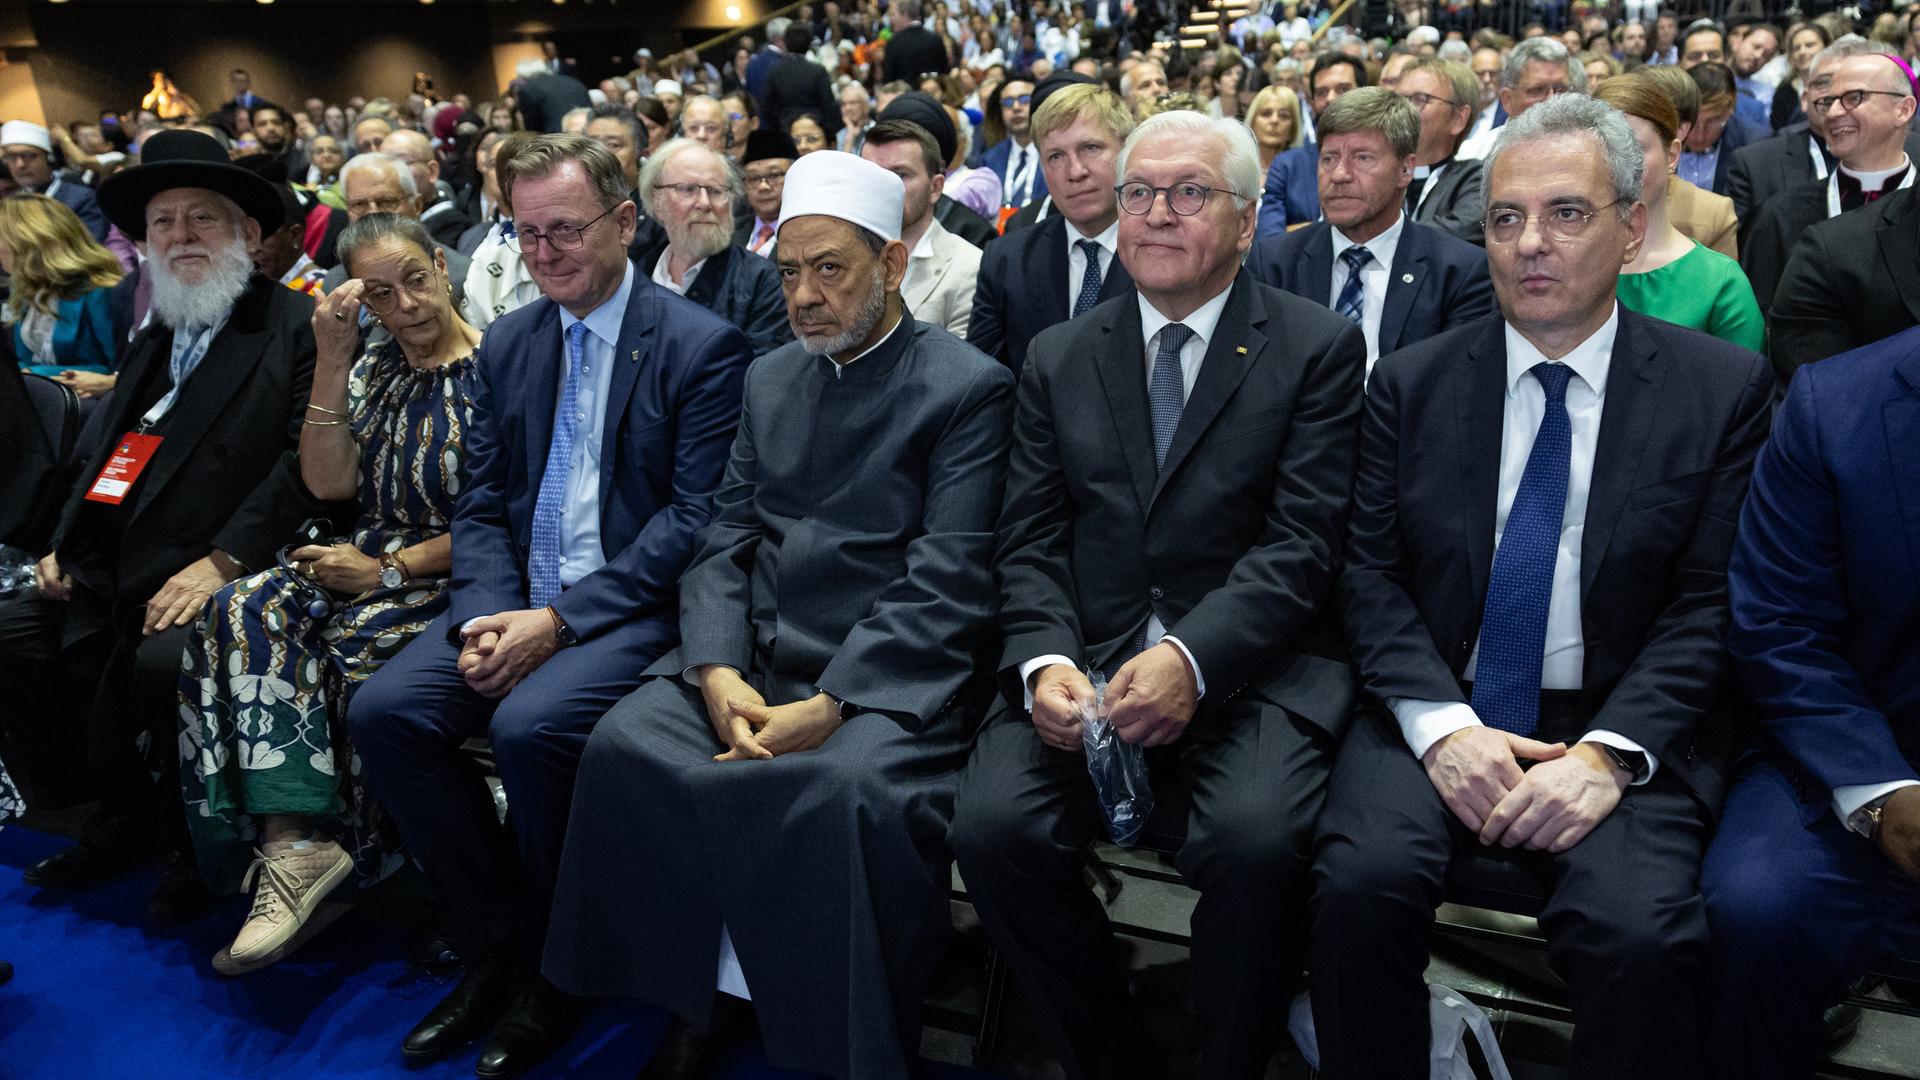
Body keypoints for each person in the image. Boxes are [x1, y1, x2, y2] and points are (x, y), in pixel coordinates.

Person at [1307, 93, 1774, 1080]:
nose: (1530, 244)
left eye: (1566, 213)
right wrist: (1441, 728)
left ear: (1632, 224)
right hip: (1441, 702)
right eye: (1506, 218)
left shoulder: (1720, 388)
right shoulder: (1412, 382)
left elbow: (1709, 604)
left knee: (1641, 938)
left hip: (1620, 719)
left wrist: (1606, 758)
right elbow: (1372, 577)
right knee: (1356, 888)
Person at [545, 147, 1013, 1080]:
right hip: (753, 657)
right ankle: (695, 996)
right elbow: (723, 536)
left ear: (889, 263)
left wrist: (835, 702)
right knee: (627, 745)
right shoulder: (770, 376)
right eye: (789, 271)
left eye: (830, 269)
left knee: (841, 794)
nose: (803, 296)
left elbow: (949, 574)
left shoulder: (967, 388)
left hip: (886, 681)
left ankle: (836, 1039)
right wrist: (715, 668)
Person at [950, 109, 1365, 1080]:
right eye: (1140, 193)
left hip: (1249, 669)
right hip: (1086, 659)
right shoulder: (1059, 352)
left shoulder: (1316, 347)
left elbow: (1304, 543)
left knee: (1257, 846)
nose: (1158, 216)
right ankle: (1107, 1051)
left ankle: (1227, 1059)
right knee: (991, 826)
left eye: (1190, 194)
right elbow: (1029, 535)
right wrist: (1047, 660)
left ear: (1250, 216)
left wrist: (1190, 659)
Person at [343, 134, 753, 1079]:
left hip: (628, 610)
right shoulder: (513, 340)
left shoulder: (699, 345)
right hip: (513, 598)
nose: (543, 254)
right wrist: (488, 612)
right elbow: (480, 501)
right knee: (387, 711)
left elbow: (690, 524)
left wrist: (558, 623)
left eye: (564, 230)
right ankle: (503, 947)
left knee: (531, 730)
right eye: (525, 235)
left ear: (623, 222)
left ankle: (561, 975)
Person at [0, 130, 322, 926]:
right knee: (13, 633)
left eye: (201, 219)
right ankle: (110, 809)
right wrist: (62, 541)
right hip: (119, 557)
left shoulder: (296, 329)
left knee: (162, 660)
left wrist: (224, 559)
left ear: (249, 234)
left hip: (222, 564)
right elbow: (105, 449)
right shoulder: (160, 331)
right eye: (163, 222)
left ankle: (192, 844)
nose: (179, 236)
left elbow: (301, 470)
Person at [179, 212, 481, 975]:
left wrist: (387, 571)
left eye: (416, 279)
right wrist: (333, 357)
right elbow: (330, 481)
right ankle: (293, 847)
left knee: (342, 648)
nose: (407, 305)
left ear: (442, 268)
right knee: (242, 605)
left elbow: (509, 517)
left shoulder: (497, 367)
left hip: (453, 569)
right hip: (367, 548)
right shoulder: (374, 362)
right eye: (381, 294)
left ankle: (361, 861)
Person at [1697, 321, 1920, 1080]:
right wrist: (1885, 788)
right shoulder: (1837, 403)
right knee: (1758, 903)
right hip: (1849, 749)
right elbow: (1779, 622)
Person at [1249, 88, 1493, 376]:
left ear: (1406, 170)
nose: (1339, 174)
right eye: (1329, 158)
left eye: (1362, 158)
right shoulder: (1274, 263)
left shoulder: (1459, 272)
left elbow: (1451, 387)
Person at [967, 83, 1136, 376]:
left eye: (1090, 148)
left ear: (1127, 150)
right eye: (1056, 156)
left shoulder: (1168, 249)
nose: (1075, 171)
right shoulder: (1006, 260)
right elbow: (983, 382)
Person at [1745, 51, 1915, 321]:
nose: (1833, 113)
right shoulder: (1778, 217)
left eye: (1853, 98)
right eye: (1827, 101)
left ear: (1903, 109)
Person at [1596, 77, 1764, 350]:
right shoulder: (1562, 266)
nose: (1617, 166)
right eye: (1602, 150)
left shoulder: (1718, 283)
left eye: (1633, 149)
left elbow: (1742, 388)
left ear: (1672, 155)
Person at [634, 137, 791, 354]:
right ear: (656, 200)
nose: (705, 203)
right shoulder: (637, 275)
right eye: (688, 189)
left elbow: (753, 376)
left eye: (716, 191)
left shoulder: (763, 282)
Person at [863, 119, 980, 339]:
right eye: (872, 176)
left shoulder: (969, 267)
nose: (884, 188)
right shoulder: (840, 259)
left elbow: (963, 368)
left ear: (935, 188)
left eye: (900, 175)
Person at [0, 194, 125, 391]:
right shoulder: (25, 285)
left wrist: (38, 374)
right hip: (41, 394)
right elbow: (24, 361)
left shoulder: (99, 290)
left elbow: (118, 370)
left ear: (28, 240)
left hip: (89, 403)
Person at [1258, 53, 1370, 235]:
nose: (1331, 99)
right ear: (1312, 103)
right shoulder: (1287, 166)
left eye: (1343, 89)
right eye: (1321, 92)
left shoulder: (1385, 159)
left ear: (1365, 93)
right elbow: (1269, 242)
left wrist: (1298, 230)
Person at [1396, 57, 1487, 243]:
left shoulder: (1477, 178)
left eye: (1420, 99)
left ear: (1458, 118)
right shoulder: (1380, 174)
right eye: (1399, 100)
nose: (1403, 111)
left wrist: (1380, 235)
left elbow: (1458, 233)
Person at [1456, 37, 1587, 161]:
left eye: (1561, 89)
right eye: (1537, 90)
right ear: (1507, 100)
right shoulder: (1473, 154)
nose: (1552, 100)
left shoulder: (1589, 153)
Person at [1, 120, 110, 242]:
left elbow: (90, 250)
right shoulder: (11, 202)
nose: (20, 164)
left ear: (49, 158)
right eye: (11, 157)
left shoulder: (81, 199)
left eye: (29, 155)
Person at [383, 128, 473, 252]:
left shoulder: (454, 225)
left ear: (432, 171)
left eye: (402, 163)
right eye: (383, 164)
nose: (390, 172)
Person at [1676, 62, 1754, 197]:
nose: (1700, 136)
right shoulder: (1657, 138)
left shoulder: (1753, 146)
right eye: (1692, 122)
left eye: (1712, 122)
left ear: (1730, 108)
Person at [762, 21, 840, 138]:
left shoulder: (775, 71)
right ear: (809, 44)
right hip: (815, 131)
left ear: (786, 42)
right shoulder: (818, 70)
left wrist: (779, 126)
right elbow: (829, 106)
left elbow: (765, 106)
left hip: (786, 132)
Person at [982, 77, 1049, 210]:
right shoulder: (989, 160)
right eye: (1008, 102)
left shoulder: (1056, 154)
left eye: (1025, 100)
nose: (1016, 107)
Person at [736, 130, 797, 257]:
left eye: (774, 175)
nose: (763, 186)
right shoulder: (730, 232)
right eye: (753, 178)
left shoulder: (808, 233)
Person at [1771, 22, 1832, 131]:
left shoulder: (1841, 83)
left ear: (1826, 47)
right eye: (1796, 48)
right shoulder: (1784, 91)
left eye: (1810, 45)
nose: (1802, 51)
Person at [514, 58, 593, 135]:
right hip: (588, 131)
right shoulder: (573, 81)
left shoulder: (528, 89)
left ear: (522, 76)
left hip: (555, 138)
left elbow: (531, 128)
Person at [882, 0, 951, 84]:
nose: (892, 20)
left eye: (894, 15)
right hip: (932, 94)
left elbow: (888, 79)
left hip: (905, 95)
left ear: (905, 15)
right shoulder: (935, 39)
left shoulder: (894, 42)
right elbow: (945, 72)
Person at [1246, 83, 1306, 177]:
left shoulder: (1302, 170)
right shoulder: (1239, 166)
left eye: (1284, 115)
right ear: (1253, 122)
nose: (1274, 120)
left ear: (1293, 128)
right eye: (1266, 114)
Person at [834, 81, 874, 154]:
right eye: (843, 104)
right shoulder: (841, 135)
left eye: (853, 103)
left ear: (865, 106)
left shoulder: (876, 130)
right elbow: (843, 164)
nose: (848, 108)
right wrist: (850, 136)